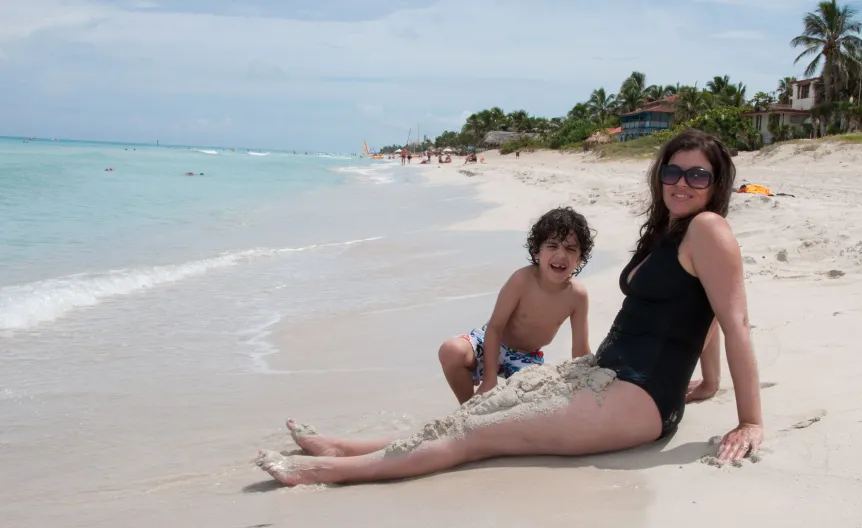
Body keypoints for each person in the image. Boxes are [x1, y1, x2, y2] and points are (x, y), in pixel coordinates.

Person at [255, 128, 763, 486]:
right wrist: (710, 382)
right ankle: (343, 447)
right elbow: (706, 311)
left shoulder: (708, 228)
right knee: (475, 415)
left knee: (478, 434)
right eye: (673, 171)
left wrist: (748, 420)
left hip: (639, 398)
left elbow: (733, 319)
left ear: (716, 185)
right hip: (605, 375)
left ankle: (327, 473)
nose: (682, 182)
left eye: (698, 176)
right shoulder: (668, 232)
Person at [437, 207, 594, 404]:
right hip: (491, 343)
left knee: (538, 400)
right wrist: (489, 379)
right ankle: (468, 408)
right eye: (552, 246)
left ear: (579, 259)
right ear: (537, 253)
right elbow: (495, 327)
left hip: (527, 356)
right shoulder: (522, 280)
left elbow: (580, 349)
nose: (561, 255)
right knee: (451, 350)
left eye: (570, 249)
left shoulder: (577, 296)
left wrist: (592, 377)